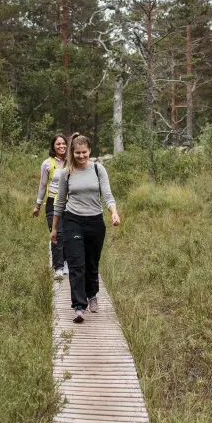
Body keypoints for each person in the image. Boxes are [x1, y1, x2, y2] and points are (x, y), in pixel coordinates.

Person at [51, 133, 120, 323]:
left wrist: (113, 212)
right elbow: (60, 202)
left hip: (95, 222)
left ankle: (92, 295)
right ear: (72, 152)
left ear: (89, 151)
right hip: (73, 221)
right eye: (77, 153)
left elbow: (107, 194)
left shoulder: (98, 169)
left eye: (84, 152)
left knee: (91, 262)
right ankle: (79, 306)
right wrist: (55, 228)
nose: (81, 156)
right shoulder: (67, 173)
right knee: (76, 264)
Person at [33, 134, 68, 279]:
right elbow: (42, 185)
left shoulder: (72, 161)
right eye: (58, 144)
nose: (61, 146)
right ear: (53, 146)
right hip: (53, 202)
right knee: (57, 234)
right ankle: (58, 266)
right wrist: (38, 205)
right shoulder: (47, 164)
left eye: (63, 143)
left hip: (70, 203)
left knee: (68, 233)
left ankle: (66, 262)